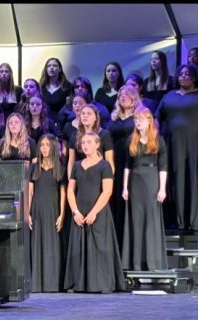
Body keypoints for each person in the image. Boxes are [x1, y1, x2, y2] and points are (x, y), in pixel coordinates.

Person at [156, 63, 198, 230]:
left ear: (195, 78)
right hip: (174, 146)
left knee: (194, 178)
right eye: (181, 74)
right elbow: (157, 118)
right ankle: (176, 219)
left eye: (188, 74)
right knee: (176, 180)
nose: (184, 76)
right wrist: (156, 140)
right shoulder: (169, 96)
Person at [64, 132, 124, 293]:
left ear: (97, 144)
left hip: (98, 212)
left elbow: (107, 191)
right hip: (79, 212)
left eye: (89, 142)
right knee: (79, 248)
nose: (85, 145)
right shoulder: (77, 165)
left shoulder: (104, 166)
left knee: (100, 248)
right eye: (83, 142)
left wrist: (93, 213)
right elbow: (70, 189)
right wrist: (75, 211)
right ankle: (78, 283)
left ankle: (101, 284)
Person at [121, 106, 168, 271]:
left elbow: (163, 166)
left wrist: (162, 189)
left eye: (141, 118)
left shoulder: (158, 139)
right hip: (135, 180)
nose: (138, 122)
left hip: (151, 179)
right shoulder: (131, 140)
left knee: (151, 219)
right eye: (136, 119)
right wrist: (125, 187)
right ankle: (136, 262)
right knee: (137, 219)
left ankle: (153, 262)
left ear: (149, 120)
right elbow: (127, 165)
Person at [28, 134, 66, 292]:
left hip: (52, 209)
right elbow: (30, 192)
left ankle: (52, 284)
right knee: (37, 244)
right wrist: (27, 213)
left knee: (52, 245)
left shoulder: (60, 168)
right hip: (37, 208)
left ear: (53, 147)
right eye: (41, 145)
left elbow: (63, 193)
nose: (44, 148)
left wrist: (62, 214)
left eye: (47, 145)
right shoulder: (34, 167)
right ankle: (37, 284)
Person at [107, 85, 140, 248]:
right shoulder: (113, 118)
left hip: (132, 161)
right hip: (115, 161)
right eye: (120, 94)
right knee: (116, 199)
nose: (123, 96)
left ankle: (130, 242)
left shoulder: (139, 115)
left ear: (134, 97)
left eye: (127, 94)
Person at [66, 104, 114, 180]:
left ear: (96, 117)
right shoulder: (74, 135)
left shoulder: (104, 135)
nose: (85, 116)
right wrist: (70, 179)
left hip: (98, 175)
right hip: (80, 175)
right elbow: (71, 161)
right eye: (83, 113)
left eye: (89, 113)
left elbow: (109, 160)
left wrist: (109, 179)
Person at [39, 58, 72, 123]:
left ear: (59, 69)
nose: (51, 68)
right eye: (49, 66)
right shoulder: (41, 87)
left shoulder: (67, 87)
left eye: (54, 65)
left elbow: (68, 107)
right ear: (46, 69)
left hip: (62, 122)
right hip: (44, 122)